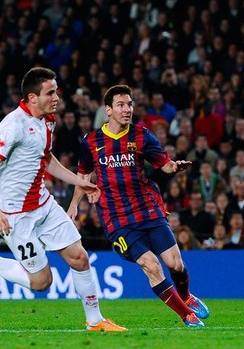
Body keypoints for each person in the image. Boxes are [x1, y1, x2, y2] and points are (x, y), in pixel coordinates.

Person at [0, 67, 126, 332]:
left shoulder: (48, 119)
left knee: (80, 258)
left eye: (56, 91)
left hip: (43, 204)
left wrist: (77, 180)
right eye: (50, 92)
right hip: (15, 215)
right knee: (41, 282)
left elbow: (45, 157)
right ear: (32, 97)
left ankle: (95, 321)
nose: (56, 97)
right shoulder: (13, 125)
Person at [68, 84, 209, 328]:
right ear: (108, 110)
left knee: (175, 263)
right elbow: (83, 176)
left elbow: (163, 164)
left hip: (147, 209)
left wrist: (174, 167)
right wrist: (73, 206)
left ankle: (185, 295)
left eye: (130, 104)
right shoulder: (91, 141)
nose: (127, 109)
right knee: (151, 265)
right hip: (118, 220)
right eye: (121, 105)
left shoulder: (142, 135)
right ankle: (186, 314)